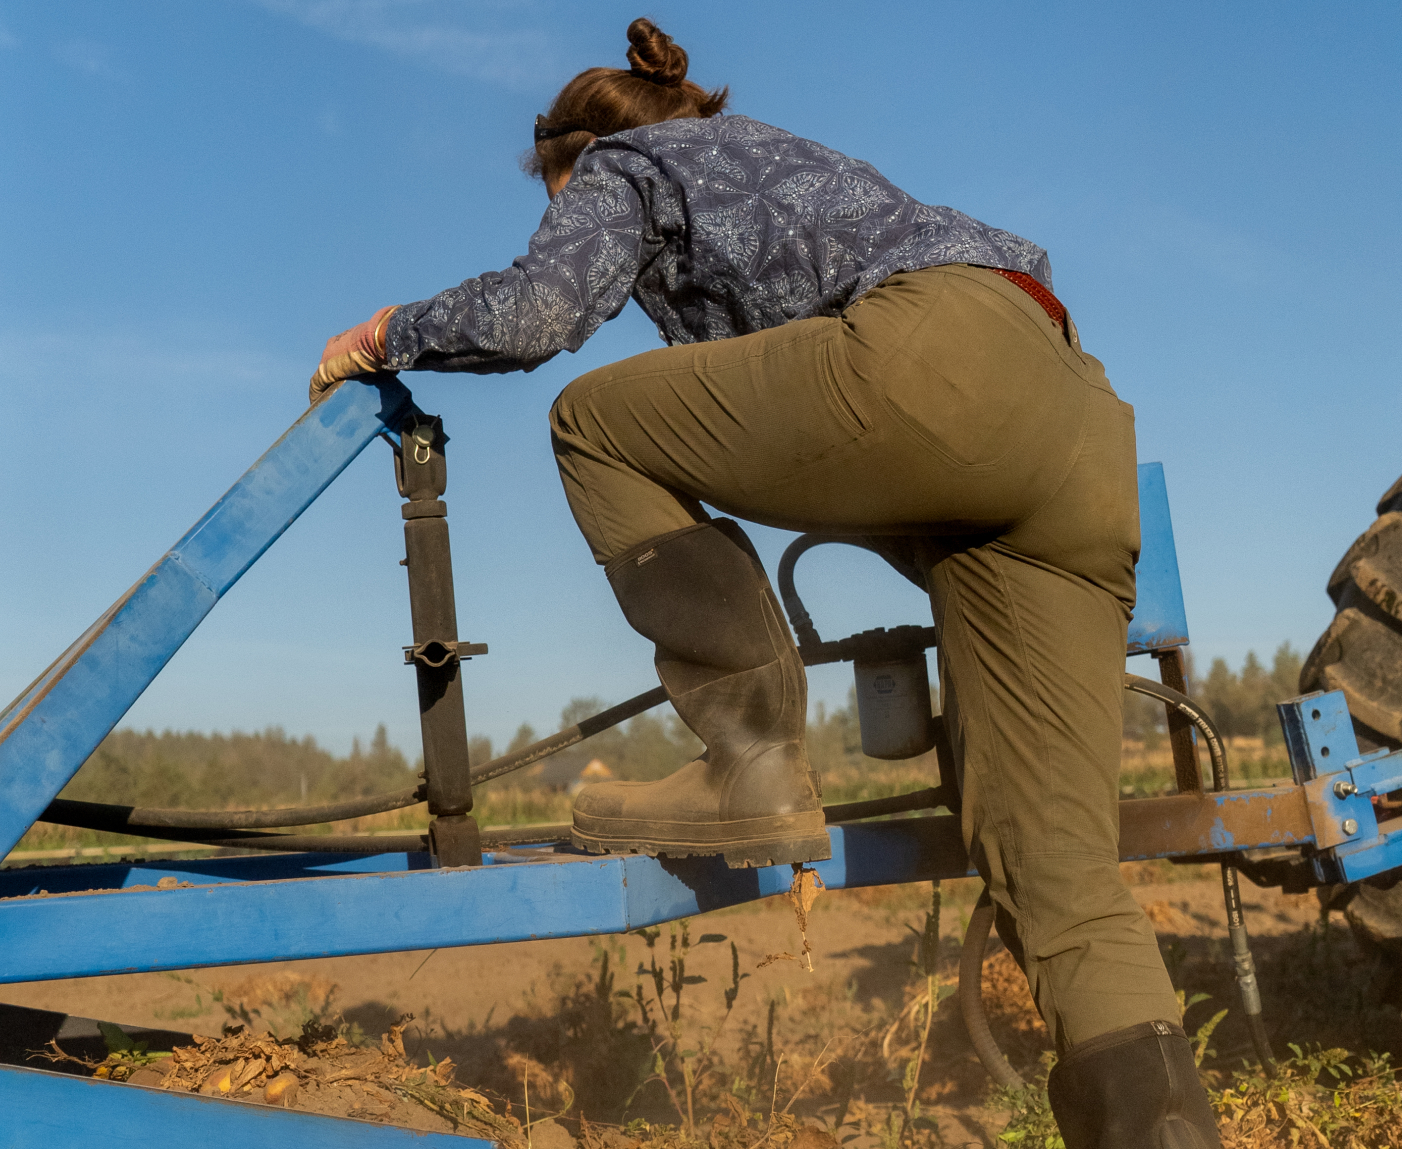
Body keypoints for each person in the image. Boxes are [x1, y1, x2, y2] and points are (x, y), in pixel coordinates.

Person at [309, 19, 1222, 1147]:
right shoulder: (778, 156)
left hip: (935, 367)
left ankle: (748, 762)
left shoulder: (621, 164)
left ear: (570, 159)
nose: (564, 222)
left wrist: (384, 333)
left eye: (553, 205)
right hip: (1073, 428)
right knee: (1056, 868)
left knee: (594, 421)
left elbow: (537, 313)